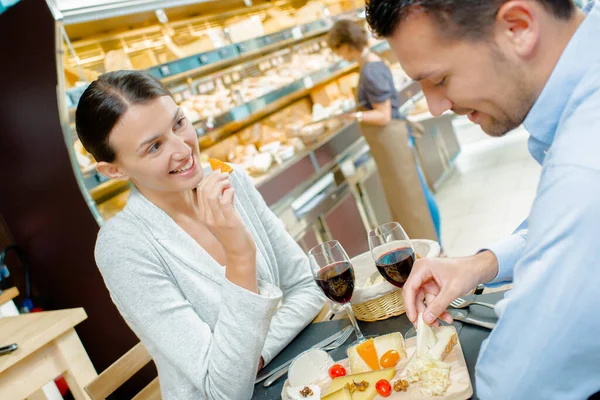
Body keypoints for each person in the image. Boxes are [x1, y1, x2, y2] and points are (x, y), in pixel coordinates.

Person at [365, 0, 600, 397]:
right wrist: (481, 264)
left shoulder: (584, 167)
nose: (436, 108)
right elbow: (562, 228)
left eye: (439, 81)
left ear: (518, 27)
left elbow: (517, 383)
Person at [75, 70, 325, 399]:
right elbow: (222, 390)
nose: (183, 149)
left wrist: (256, 354)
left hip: (300, 372)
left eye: (179, 123)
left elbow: (309, 286)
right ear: (114, 170)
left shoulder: (228, 179)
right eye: (154, 147)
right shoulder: (123, 246)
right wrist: (239, 255)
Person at [327, 19, 442, 244]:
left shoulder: (370, 70)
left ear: (346, 45)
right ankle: (434, 244)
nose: (339, 55)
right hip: (392, 141)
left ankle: (436, 246)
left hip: (393, 139)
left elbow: (383, 115)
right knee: (415, 196)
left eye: (338, 49)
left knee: (415, 199)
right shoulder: (371, 62)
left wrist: (355, 116)